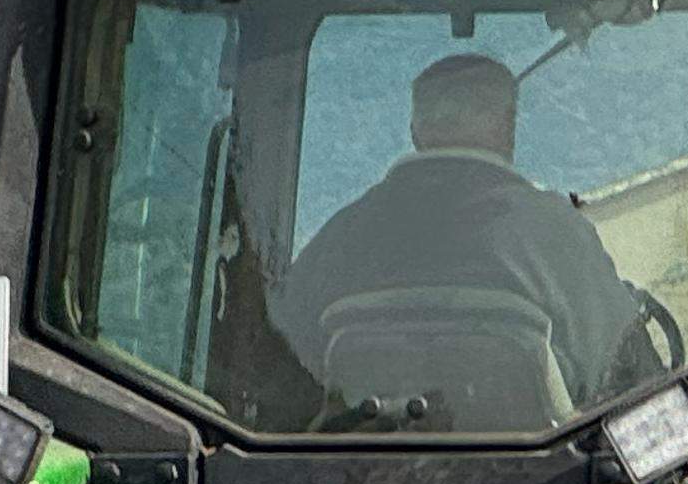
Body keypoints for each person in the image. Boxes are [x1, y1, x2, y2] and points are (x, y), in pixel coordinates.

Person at [274, 51, 652, 408]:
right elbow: (629, 373)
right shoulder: (557, 235)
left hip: (355, 471)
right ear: (508, 125)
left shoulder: (341, 237)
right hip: (550, 473)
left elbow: (275, 367)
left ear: (415, 132)